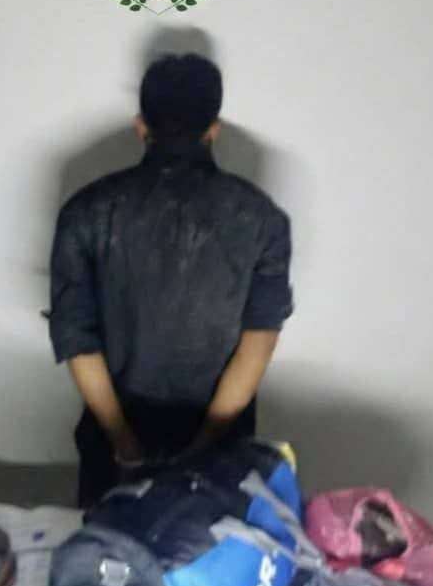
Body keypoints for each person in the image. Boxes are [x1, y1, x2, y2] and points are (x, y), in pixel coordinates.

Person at [48, 54, 294, 507]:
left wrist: (123, 442)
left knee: (104, 545)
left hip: (112, 442)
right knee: (207, 549)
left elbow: (77, 340)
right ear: (213, 129)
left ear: (141, 126)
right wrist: (205, 445)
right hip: (221, 448)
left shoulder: (84, 212)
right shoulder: (264, 220)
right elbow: (257, 343)